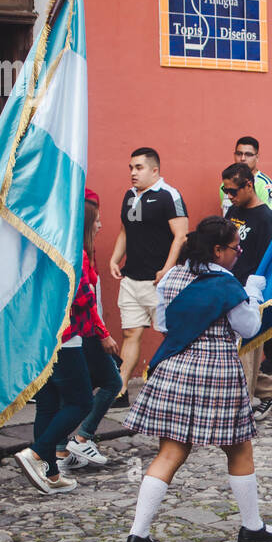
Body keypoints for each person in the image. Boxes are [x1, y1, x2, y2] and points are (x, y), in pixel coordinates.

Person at [122, 216, 272, 542]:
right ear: (217, 250)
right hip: (217, 371)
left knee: (170, 452)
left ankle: (138, 534)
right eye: (234, 247)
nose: (238, 252)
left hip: (175, 368)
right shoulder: (229, 286)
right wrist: (254, 294)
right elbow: (249, 328)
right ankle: (252, 526)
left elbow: (164, 324)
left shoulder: (171, 278)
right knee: (239, 450)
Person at [14, 205, 100, 494]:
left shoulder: (38, 245)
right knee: (81, 402)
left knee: (49, 404)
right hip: (67, 337)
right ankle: (37, 453)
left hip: (40, 336)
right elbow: (83, 295)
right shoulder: (69, 250)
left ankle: (49, 474)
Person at [110, 148, 188, 405]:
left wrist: (167, 268)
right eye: (131, 167)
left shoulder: (169, 195)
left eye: (139, 167)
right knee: (131, 333)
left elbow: (181, 235)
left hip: (159, 283)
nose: (133, 172)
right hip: (131, 279)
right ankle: (120, 390)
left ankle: (173, 389)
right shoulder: (128, 196)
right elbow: (125, 231)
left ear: (155, 170)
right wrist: (114, 258)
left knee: (170, 336)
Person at [57, 190, 122, 469]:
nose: (101, 225)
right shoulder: (80, 255)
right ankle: (78, 440)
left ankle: (60, 450)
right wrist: (103, 332)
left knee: (72, 392)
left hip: (82, 332)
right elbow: (85, 299)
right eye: (97, 220)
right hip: (83, 332)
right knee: (111, 382)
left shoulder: (83, 251)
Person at [222, 163, 272, 412]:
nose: (229, 196)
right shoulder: (233, 210)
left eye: (233, 190)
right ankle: (270, 390)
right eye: (226, 190)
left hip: (250, 294)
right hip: (227, 288)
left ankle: (240, 411)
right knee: (230, 356)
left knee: (246, 353)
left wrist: (255, 296)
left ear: (249, 185)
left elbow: (267, 261)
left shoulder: (266, 218)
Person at [220, 136, 272, 214]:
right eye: (239, 154)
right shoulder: (225, 184)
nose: (243, 158)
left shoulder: (266, 186)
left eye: (248, 154)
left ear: (257, 157)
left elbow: (267, 219)